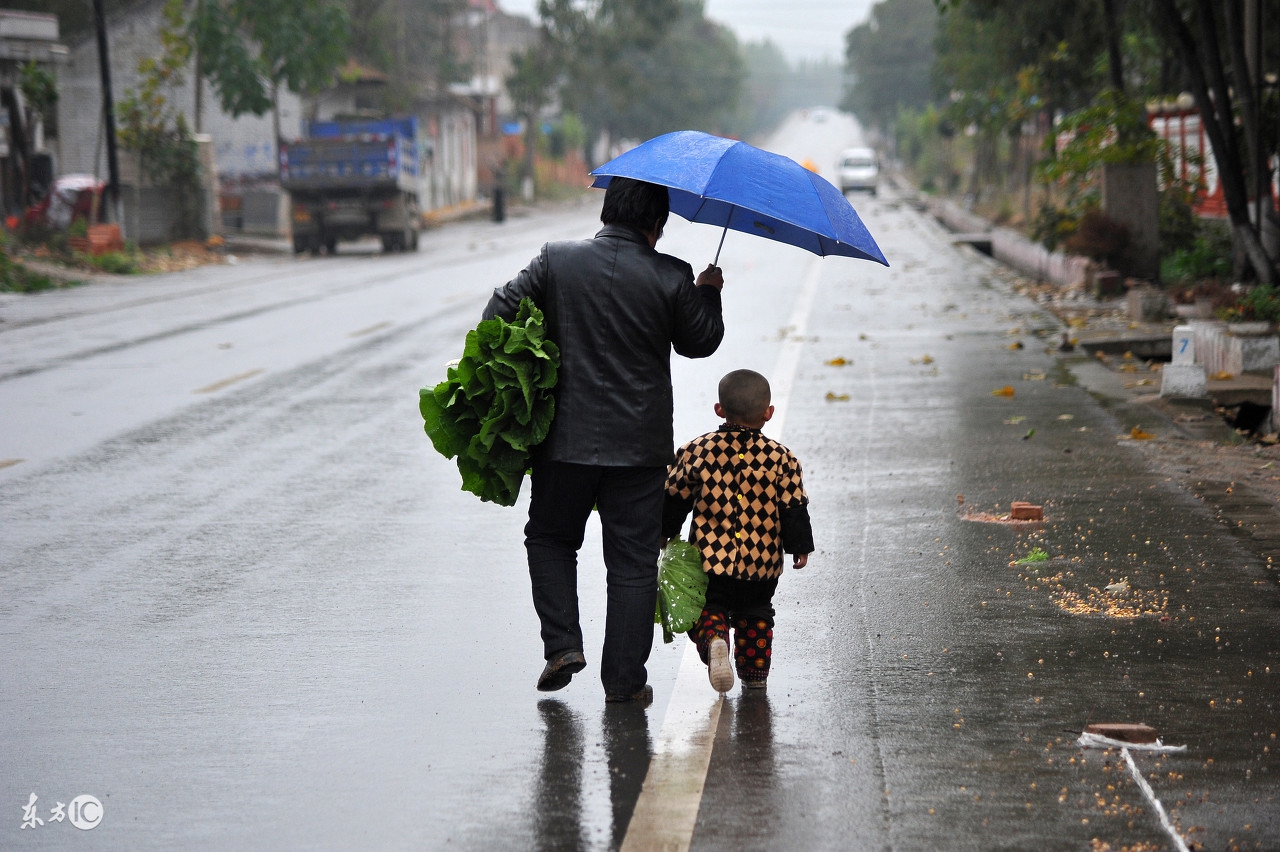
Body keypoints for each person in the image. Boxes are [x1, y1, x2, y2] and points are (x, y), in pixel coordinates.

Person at [483, 177, 725, 703]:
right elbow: (700, 341)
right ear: (656, 225)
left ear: (606, 211)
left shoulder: (556, 260)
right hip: (639, 450)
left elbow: (497, 313)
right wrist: (710, 292)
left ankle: (562, 646)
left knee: (550, 537)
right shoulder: (671, 275)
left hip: (562, 441)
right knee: (633, 562)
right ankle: (624, 683)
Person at [661, 369, 813, 693]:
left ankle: (716, 640)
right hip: (760, 563)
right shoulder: (783, 459)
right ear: (768, 413)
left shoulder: (697, 451)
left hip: (708, 559)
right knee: (756, 613)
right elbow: (793, 508)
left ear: (719, 409)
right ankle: (754, 675)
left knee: (708, 607)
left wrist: (664, 534)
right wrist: (800, 547)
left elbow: (674, 497)